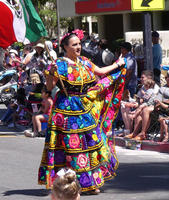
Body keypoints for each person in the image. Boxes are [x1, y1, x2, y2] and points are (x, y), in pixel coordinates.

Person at [38, 29, 126, 194]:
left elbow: (100, 72)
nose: (78, 47)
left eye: (79, 44)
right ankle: (75, 184)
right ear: (65, 47)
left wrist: (117, 65)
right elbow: (49, 87)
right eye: (74, 45)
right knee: (73, 148)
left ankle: (89, 182)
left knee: (90, 143)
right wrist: (50, 74)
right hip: (65, 110)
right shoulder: (59, 64)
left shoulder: (84, 61)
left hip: (84, 107)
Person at [129, 68, 169, 140]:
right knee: (140, 110)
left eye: (167, 77)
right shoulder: (166, 86)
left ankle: (142, 133)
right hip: (157, 105)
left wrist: (160, 101)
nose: (165, 79)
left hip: (167, 109)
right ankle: (134, 133)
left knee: (145, 110)